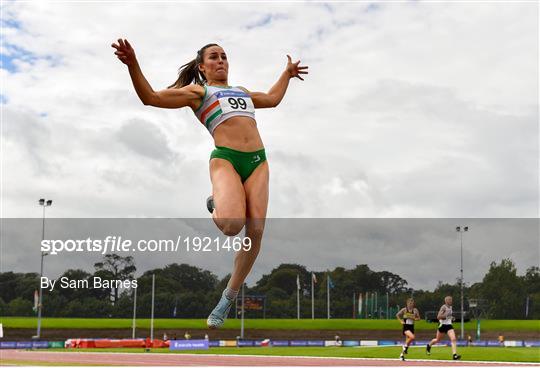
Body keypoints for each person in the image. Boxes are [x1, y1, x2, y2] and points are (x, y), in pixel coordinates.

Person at [111, 39, 308, 329]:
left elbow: (272, 98)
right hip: (226, 159)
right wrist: (133, 65)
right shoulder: (198, 92)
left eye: (224, 56)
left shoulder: (241, 93)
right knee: (231, 226)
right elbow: (150, 97)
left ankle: (228, 297)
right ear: (203, 67)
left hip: (258, 162)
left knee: (255, 231)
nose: (221, 61)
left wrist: (287, 74)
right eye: (214, 57)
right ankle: (216, 202)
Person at [426, 296, 461, 360]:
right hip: (442, 325)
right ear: (446, 301)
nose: (451, 301)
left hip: (449, 325)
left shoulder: (450, 307)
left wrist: (452, 318)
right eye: (449, 300)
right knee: (437, 340)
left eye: (451, 299)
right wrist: (446, 316)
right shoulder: (443, 307)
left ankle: (454, 355)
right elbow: (438, 316)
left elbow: (449, 316)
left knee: (453, 339)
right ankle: (429, 345)